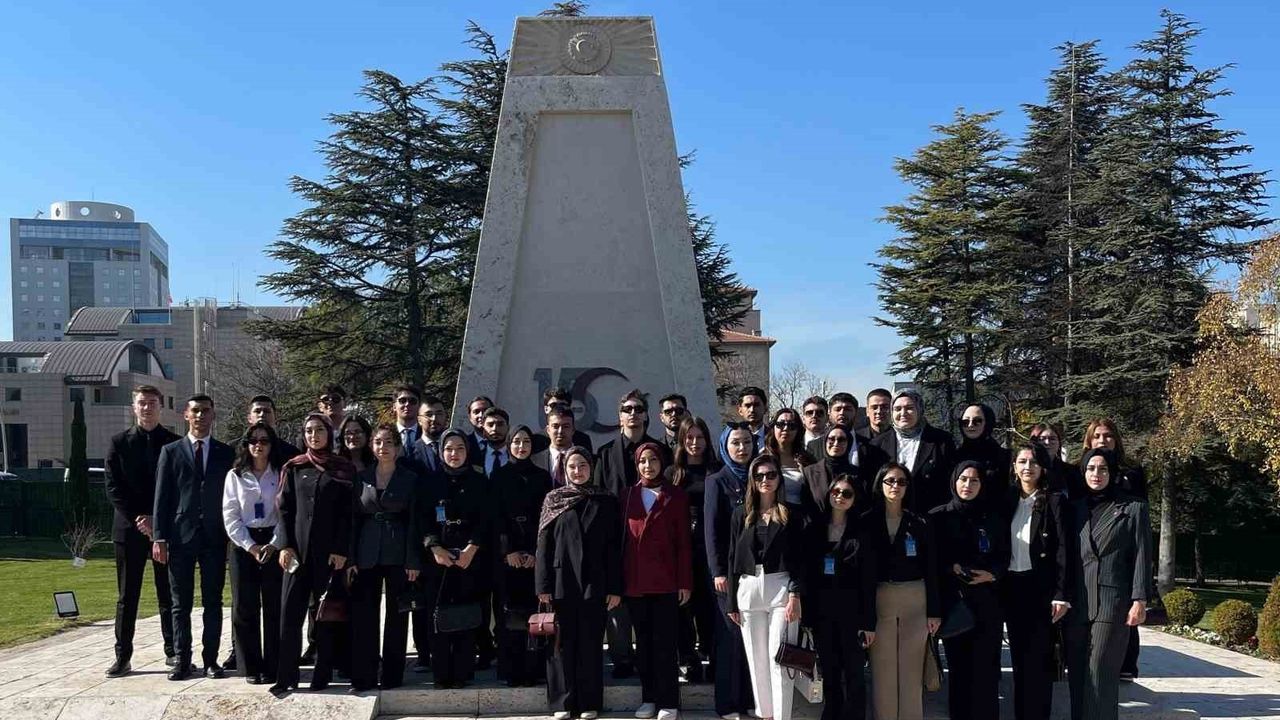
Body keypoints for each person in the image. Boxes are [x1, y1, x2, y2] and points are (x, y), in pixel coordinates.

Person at [1064, 448, 1152, 720]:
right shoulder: (1073, 509)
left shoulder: (1133, 508)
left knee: (1100, 671)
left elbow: (1142, 556)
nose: (1096, 474)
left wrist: (1140, 599)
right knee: (1078, 674)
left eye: (1102, 469)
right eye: (1090, 468)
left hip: (1111, 601)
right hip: (1077, 602)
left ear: (1112, 473)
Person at [152, 394, 234, 681]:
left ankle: (211, 660)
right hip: (180, 537)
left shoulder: (226, 453)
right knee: (180, 603)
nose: (200, 416)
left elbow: (232, 497)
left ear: (213, 415)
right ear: (186, 415)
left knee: (213, 601)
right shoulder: (171, 452)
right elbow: (161, 498)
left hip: (214, 537)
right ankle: (182, 661)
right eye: (195, 411)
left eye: (206, 411)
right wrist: (159, 538)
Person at [536, 446, 623, 720]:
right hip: (562, 582)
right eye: (572, 466)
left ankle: (588, 701)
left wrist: (614, 587)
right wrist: (543, 586)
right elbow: (544, 545)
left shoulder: (606, 500)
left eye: (583, 465)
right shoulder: (555, 499)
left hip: (595, 583)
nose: (578, 471)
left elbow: (614, 548)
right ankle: (562, 702)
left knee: (590, 643)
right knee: (561, 644)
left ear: (591, 467)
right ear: (565, 469)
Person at [271, 414, 353, 696]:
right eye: (308, 431)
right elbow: (283, 509)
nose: (314, 435)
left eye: (319, 430)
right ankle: (287, 677)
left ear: (329, 434)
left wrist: (342, 550)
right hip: (297, 553)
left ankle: (323, 673)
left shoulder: (342, 468)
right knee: (290, 614)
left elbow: (348, 514)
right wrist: (284, 545)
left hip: (330, 555)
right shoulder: (294, 467)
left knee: (326, 616)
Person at [104, 385, 179, 677]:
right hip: (128, 529)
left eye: (152, 403)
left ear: (160, 407)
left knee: (168, 593)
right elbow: (114, 488)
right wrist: (140, 518)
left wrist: (156, 522)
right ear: (133, 407)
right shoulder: (118, 443)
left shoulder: (173, 443)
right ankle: (123, 656)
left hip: (163, 531)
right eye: (141, 403)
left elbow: (177, 489)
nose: (147, 408)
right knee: (127, 596)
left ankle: (173, 652)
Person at [594, 389, 668, 678]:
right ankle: (622, 659)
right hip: (616, 542)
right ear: (619, 415)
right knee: (617, 604)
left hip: (651, 544)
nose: (633, 413)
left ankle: (652, 657)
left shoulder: (660, 452)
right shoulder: (604, 454)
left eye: (638, 408)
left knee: (650, 605)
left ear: (647, 415)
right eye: (627, 408)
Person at [726, 455, 804, 720]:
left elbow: (800, 559)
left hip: (781, 587)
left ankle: (782, 717)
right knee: (756, 660)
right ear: (752, 480)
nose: (765, 480)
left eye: (771, 475)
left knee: (779, 660)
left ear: (779, 478)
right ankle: (765, 714)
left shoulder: (791, 514)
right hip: (748, 589)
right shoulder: (741, 514)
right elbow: (731, 557)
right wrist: (731, 603)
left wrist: (795, 594)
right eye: (759, 476)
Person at [930, 461, 1009, 720]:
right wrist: (950, 567)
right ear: (954, 481)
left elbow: (1004, 555)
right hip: (955, 607)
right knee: (960, 672)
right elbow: (929, 562)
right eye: (963, 479)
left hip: (987, 605)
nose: (967, 485)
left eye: (974, 480)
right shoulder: (937, 517)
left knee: (986, 672)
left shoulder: (993, 517)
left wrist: (992, 574)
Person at [347, 424, 421, 691]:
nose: (383, 447)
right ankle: (364, 676)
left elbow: (415, 522)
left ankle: (392, 675)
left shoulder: (409, 478)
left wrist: (413, 560)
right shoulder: (362, 477)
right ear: (372, 446)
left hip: (398, 551)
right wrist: (352, 558)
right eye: (378, 442)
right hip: (367, 552)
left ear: (398, 447)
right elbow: (353, 520)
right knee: (364, 617)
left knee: (396, 617)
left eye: (389, 442)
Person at [1002, 443, 1072, 720]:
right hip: (1011, 589)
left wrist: (1061, 593)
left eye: (1033, 462)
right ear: (1014, 467)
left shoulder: (1054, 501)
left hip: (1041, 591)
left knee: (1039, 664)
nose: (1027, 467)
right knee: (1019, 663)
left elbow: (1064, 550)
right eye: (1022, 461)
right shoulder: (1007, 500)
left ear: (1042, 467)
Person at [623, 443, 692, 720]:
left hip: (666, 582)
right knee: (644, 644)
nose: (648, 466)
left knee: (665, 644)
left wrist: (685, 582)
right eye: (642, 461)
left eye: (653, 460)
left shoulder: (675, 496)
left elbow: (684, 544)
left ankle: (668, 701)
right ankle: (648, 698)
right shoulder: (627, 496)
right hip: (636, 583)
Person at [867, 462, 941, 720]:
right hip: (880, 599)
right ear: (880, 484)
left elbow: (932, 568)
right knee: (883, 670)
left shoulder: (920, 522)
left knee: (911, 671)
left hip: (915, 598)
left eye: (901, 482)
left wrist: (934, 611)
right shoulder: (866, 520)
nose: (895, 486)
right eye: (890, 481)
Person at [802, 473, 877, 720]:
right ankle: (832, 711)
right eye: (836, 492)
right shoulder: (814, 527)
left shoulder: (863, 530)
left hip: (852, 612)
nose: (840, 497)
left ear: (855, 498)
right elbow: (808, 575)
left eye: (847, 493)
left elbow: (868, 580)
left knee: (854, 671)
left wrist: (868, 623)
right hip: (822, 610)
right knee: (830, 668)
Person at [424, 429, 492, 688]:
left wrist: (471, 549)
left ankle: (463, 671)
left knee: (467, 616)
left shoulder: (479, 482)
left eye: (460, 449)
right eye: (449, 449)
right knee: (438, 617)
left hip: (470, 559)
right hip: (437, 560)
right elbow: (422, 520)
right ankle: (441, 673)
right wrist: (435, 548)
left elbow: (486, 520)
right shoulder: (429, 482)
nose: (454, 454)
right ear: (441, 452)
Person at [1081, 418, 1147, 679]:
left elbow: (1139, 515)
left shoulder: (1131, 473)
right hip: (1091, 553)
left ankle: (1127, 665)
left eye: (1108, 436)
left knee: (1125, 617)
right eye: (1097, 436)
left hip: (1122, 548)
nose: (1102, 440)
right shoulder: (1082, 470)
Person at [221, 422, 285, 685]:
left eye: (264, 441)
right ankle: (250, 666)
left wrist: (274, 542)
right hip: (243, 543)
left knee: (273, 606)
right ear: (247, 445)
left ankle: (274, 665)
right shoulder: (235, 475)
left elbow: (285, 513)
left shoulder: (281, 473)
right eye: (254, 441)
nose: (259, 445)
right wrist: (250, 545)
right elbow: (230, 514)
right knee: (245, 606)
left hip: (273, 541)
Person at [703, 424, 758, 720]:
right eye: (736, 442)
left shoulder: (760, 476)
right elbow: (711, 532)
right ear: (725, 446)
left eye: (747, 442)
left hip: (754, 571)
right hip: (727, 573)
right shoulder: (717, 481)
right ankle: (728, 703)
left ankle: (750, 698)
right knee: (729, 639)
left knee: (752, 637)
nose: (742, 448)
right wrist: (717, 571)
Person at [493, 425, 552, 687]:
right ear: (509, 445)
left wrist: (536, 552)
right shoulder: (499, 476)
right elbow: (496, 517)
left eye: (525, 441)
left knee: (534, 615)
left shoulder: (542, 477)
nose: (521, 446)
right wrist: (509, 551)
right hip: (508, 558)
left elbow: (546, 518)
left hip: (534, 556)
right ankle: (511, 669)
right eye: (516, 441)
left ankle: (534, 668)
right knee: (509, 616)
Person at [666, 416, 722, 683]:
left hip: (709, 549)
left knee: (709, 609)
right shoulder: (671, 473)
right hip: (680, 551)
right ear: (681, 440)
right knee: (682, 609)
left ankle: (712, 657)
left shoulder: (718, 470)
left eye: (700, 438)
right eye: (689, 437)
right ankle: (687, 660)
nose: (695, 443)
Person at [867, 389, 955, 514]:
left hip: (930, 517)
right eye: (897, 409)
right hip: (888, 517)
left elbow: (949, 482)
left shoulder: (941, 441)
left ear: (919, 410)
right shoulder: (877, 444)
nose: (903, 413)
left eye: (909, 408)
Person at [954, 403, 1010, 506]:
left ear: (988, 423)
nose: (970, 425)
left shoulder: (1003, 457)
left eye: (977, 421)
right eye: (965, 422)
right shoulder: (954, 456)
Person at [801, 425, 861, 517]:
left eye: (841, 440)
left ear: (848, 444)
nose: (836, 443)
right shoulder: (809, 472)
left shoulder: (857, 474)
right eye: (831, 439)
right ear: (825, 442)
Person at [764, 408, 816, 506]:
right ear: (773, 427)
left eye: (792, 425)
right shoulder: (763, 458)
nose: (785, 428)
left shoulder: (807, 460)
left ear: (798, 430)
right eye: (780, 424)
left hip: (800, 516)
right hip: (770, 513)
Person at [533, 388, 595, 453]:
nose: (558, 408)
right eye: (553, 405)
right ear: (546, 409)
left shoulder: (582, 440)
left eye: (562, 405)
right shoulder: (536, 440)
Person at [1029, 422, 1079, 497]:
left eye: (1052, 439)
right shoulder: (1026, 469)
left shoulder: (1072, 472)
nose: (1047, 442)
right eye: (1042, 439)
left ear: (1059, 443)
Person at [534, 406, 580, 487]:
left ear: (573, 430)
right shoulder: (534, 461)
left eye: (566, 426)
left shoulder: (588, 461)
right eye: (555, 426)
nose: (560, 431)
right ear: (548, 430)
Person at [718, 387, 768, 460]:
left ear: (765, 408)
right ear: (740, 410)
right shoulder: (729, 437)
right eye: (747, 405)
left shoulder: (774, 437)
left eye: (756, 405)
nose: (752, 410)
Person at [807, 392, 859, 458]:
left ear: (856, 412)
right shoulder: (814, 446)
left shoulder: (870, 444)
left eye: (847, 409)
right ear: (829, 413)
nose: (842, 413)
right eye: (837, 409)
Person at [481, 407, 511, 478]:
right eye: (490, 425)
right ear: (484, 430)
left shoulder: (515, 456)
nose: (495, 429)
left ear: (508, 428)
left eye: (500, 424)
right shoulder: (474, 455)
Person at [465, 396, 495, 461]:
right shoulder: (464, 444)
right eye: (476, 412)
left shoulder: (505, 445)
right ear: (470, 417)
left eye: (486, 411)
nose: (481, 415)